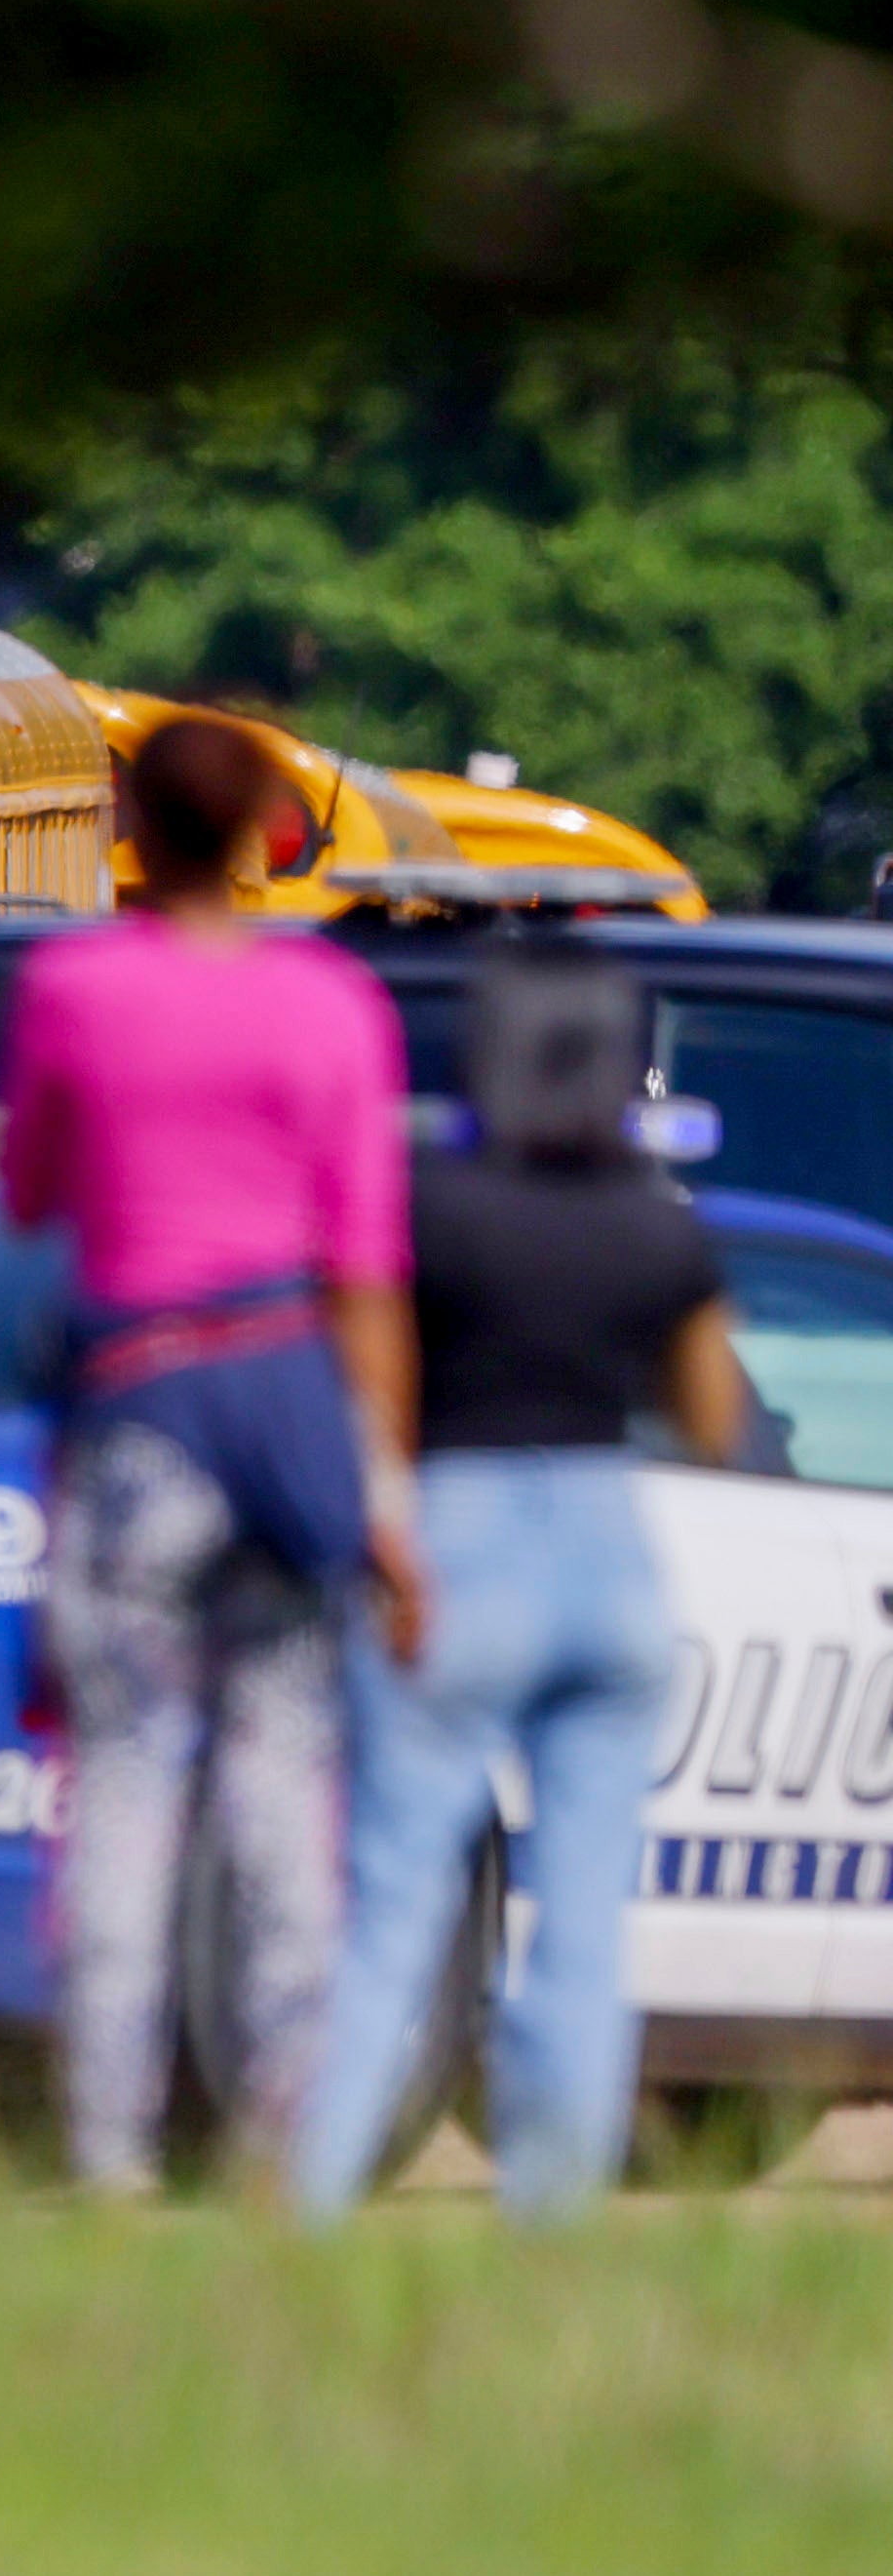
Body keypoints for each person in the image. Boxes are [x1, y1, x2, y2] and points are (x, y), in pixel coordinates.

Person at [0, 715, 417, 2193]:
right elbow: (365, 1267)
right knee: (284, 1785)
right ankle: (291, 2131)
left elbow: (26, 1190)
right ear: (254, 835)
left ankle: (108, 2142)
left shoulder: (69, 986)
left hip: (142, 1417)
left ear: (128, 823)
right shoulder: (331, 1003)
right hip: (291, 1414)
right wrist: (392, 1502)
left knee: (122, 1784)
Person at [295, 949, 748, 2219]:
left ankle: (316, 2187)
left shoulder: (430, 1205)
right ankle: (553, 2211)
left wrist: (384, 1525)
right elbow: (715, 1417)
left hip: (459, 1532)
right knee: (588, 1915)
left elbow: (366, 1365)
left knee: (396, 1902)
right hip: (608, 1552)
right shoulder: (659, 1225)